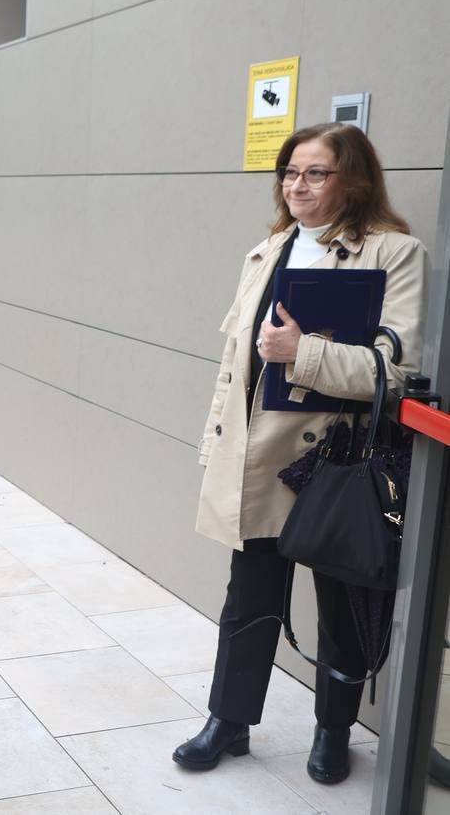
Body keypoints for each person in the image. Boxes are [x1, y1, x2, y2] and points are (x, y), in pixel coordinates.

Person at [175, 123, 427, 784]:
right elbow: (233, 369)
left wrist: (303, 354)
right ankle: (228, 722)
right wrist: (215, 447)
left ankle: (334, 732)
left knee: (341, 604)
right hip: (256, 460)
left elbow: (393, 372)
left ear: (354, 180)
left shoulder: (393, 253)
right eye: (289, 171)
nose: (296, 184)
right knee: (248, 596)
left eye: (316, 173)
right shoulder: (266, 251)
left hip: (333, 465)